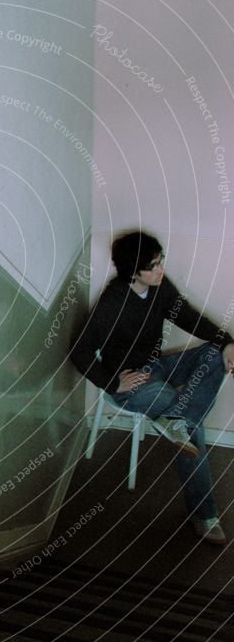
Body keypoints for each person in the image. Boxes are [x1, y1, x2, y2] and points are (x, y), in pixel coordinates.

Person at [71, 231, 234, 545]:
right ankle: (205, 515)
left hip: (160, 366)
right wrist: (111, 381)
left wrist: (227, 341)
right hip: (132, 384)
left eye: (161, 262)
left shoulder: (159, 287)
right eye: (154, 266)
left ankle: (179, 420)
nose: (161, 270)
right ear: (134, 272)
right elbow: (79, 347)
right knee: (191, 429)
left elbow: (187, 316)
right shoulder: (113, 301)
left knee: (213, 354)